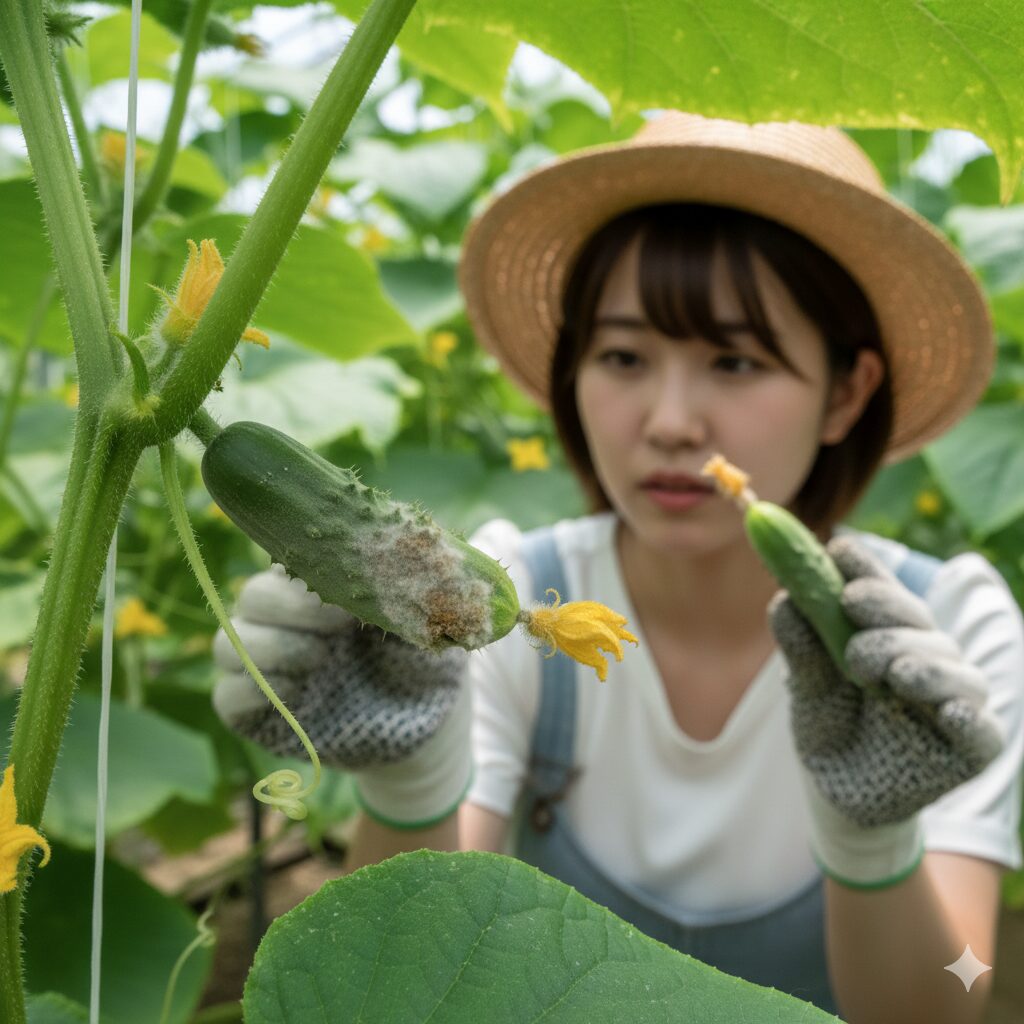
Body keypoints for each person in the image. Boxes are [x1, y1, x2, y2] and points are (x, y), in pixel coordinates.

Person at [211, 112, 1024, 1021]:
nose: (671, 420)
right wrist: (411, 776)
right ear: (574, 374)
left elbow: (962, 989)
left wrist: (876, 840)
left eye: (735, 359)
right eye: (625, 355)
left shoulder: (946, 630)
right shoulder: (511, 605)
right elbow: (414, 981)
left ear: (846, 392)